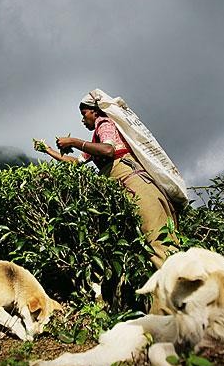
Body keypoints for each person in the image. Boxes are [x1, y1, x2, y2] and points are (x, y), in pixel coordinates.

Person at [35, 97, 178, 268]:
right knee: (156, 243)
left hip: (135, 183)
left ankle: (177, 288)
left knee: (159, 244)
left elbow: (108, 150)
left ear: (95, 112)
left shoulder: (104, 124)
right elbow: (77, 162)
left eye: (84, 114)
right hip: (132, 185)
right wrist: (49, 150)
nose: (82, 119)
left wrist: (74, 141)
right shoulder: (95, 140)